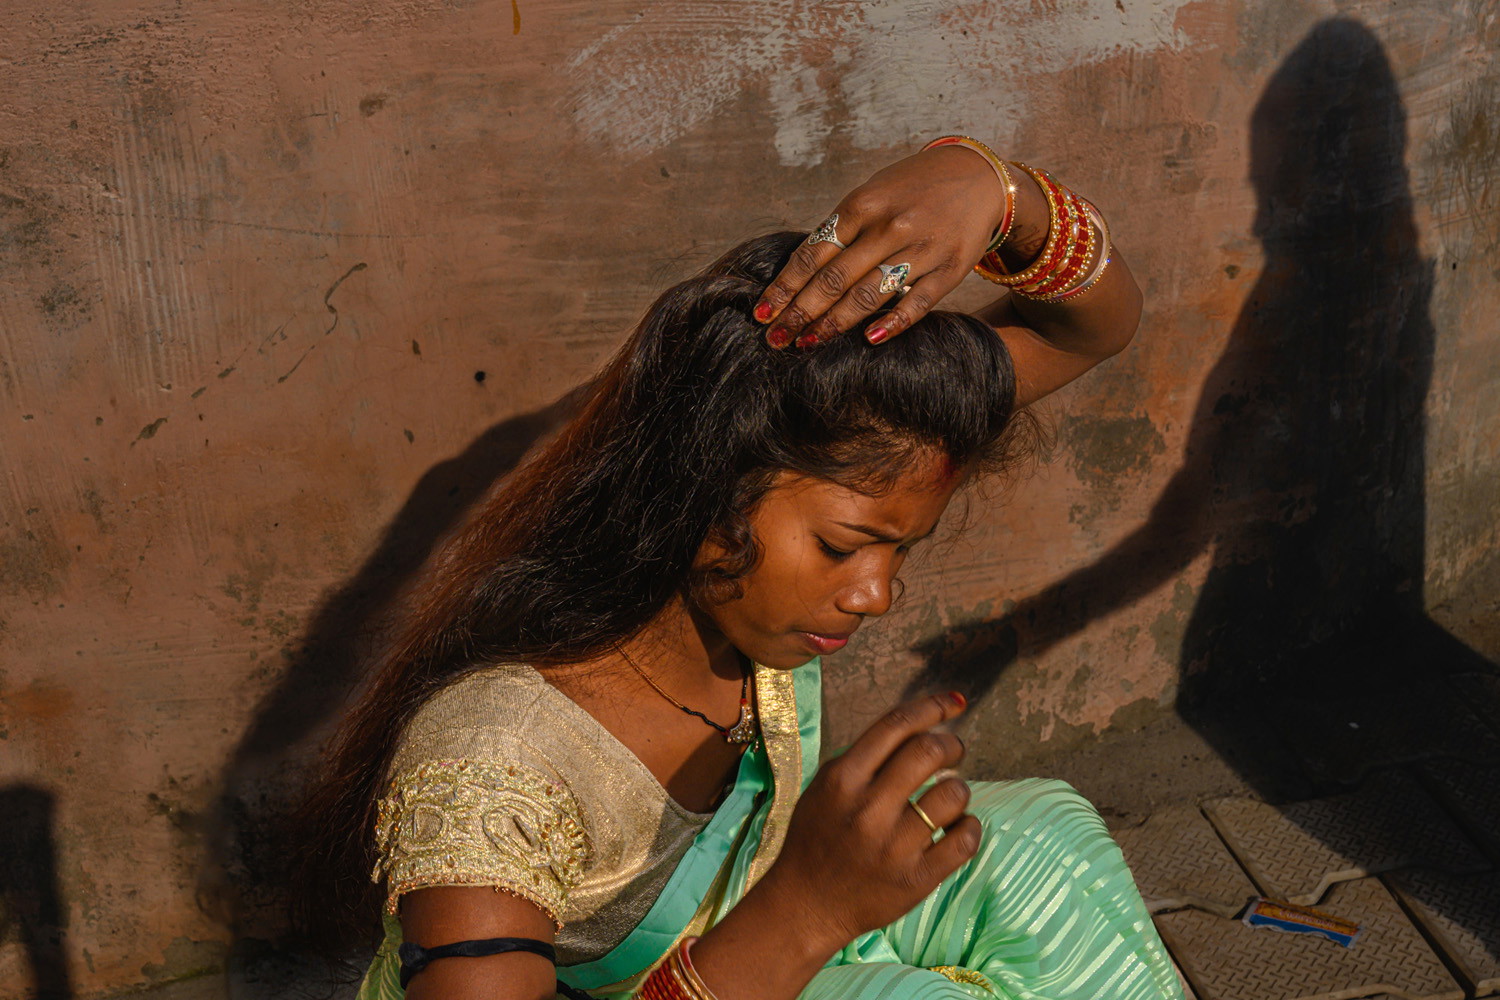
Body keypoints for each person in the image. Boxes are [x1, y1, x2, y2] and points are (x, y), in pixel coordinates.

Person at [296, 137, 1183, 1000]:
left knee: (1039, 852)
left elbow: (1092, 325)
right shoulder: (493, 768)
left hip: (753, 935)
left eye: (899, 549)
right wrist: (805, 914)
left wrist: (995, 189)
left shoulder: (758, 600)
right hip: (718, 971)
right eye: (841, 546)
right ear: (700, 495)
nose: (875, 596)